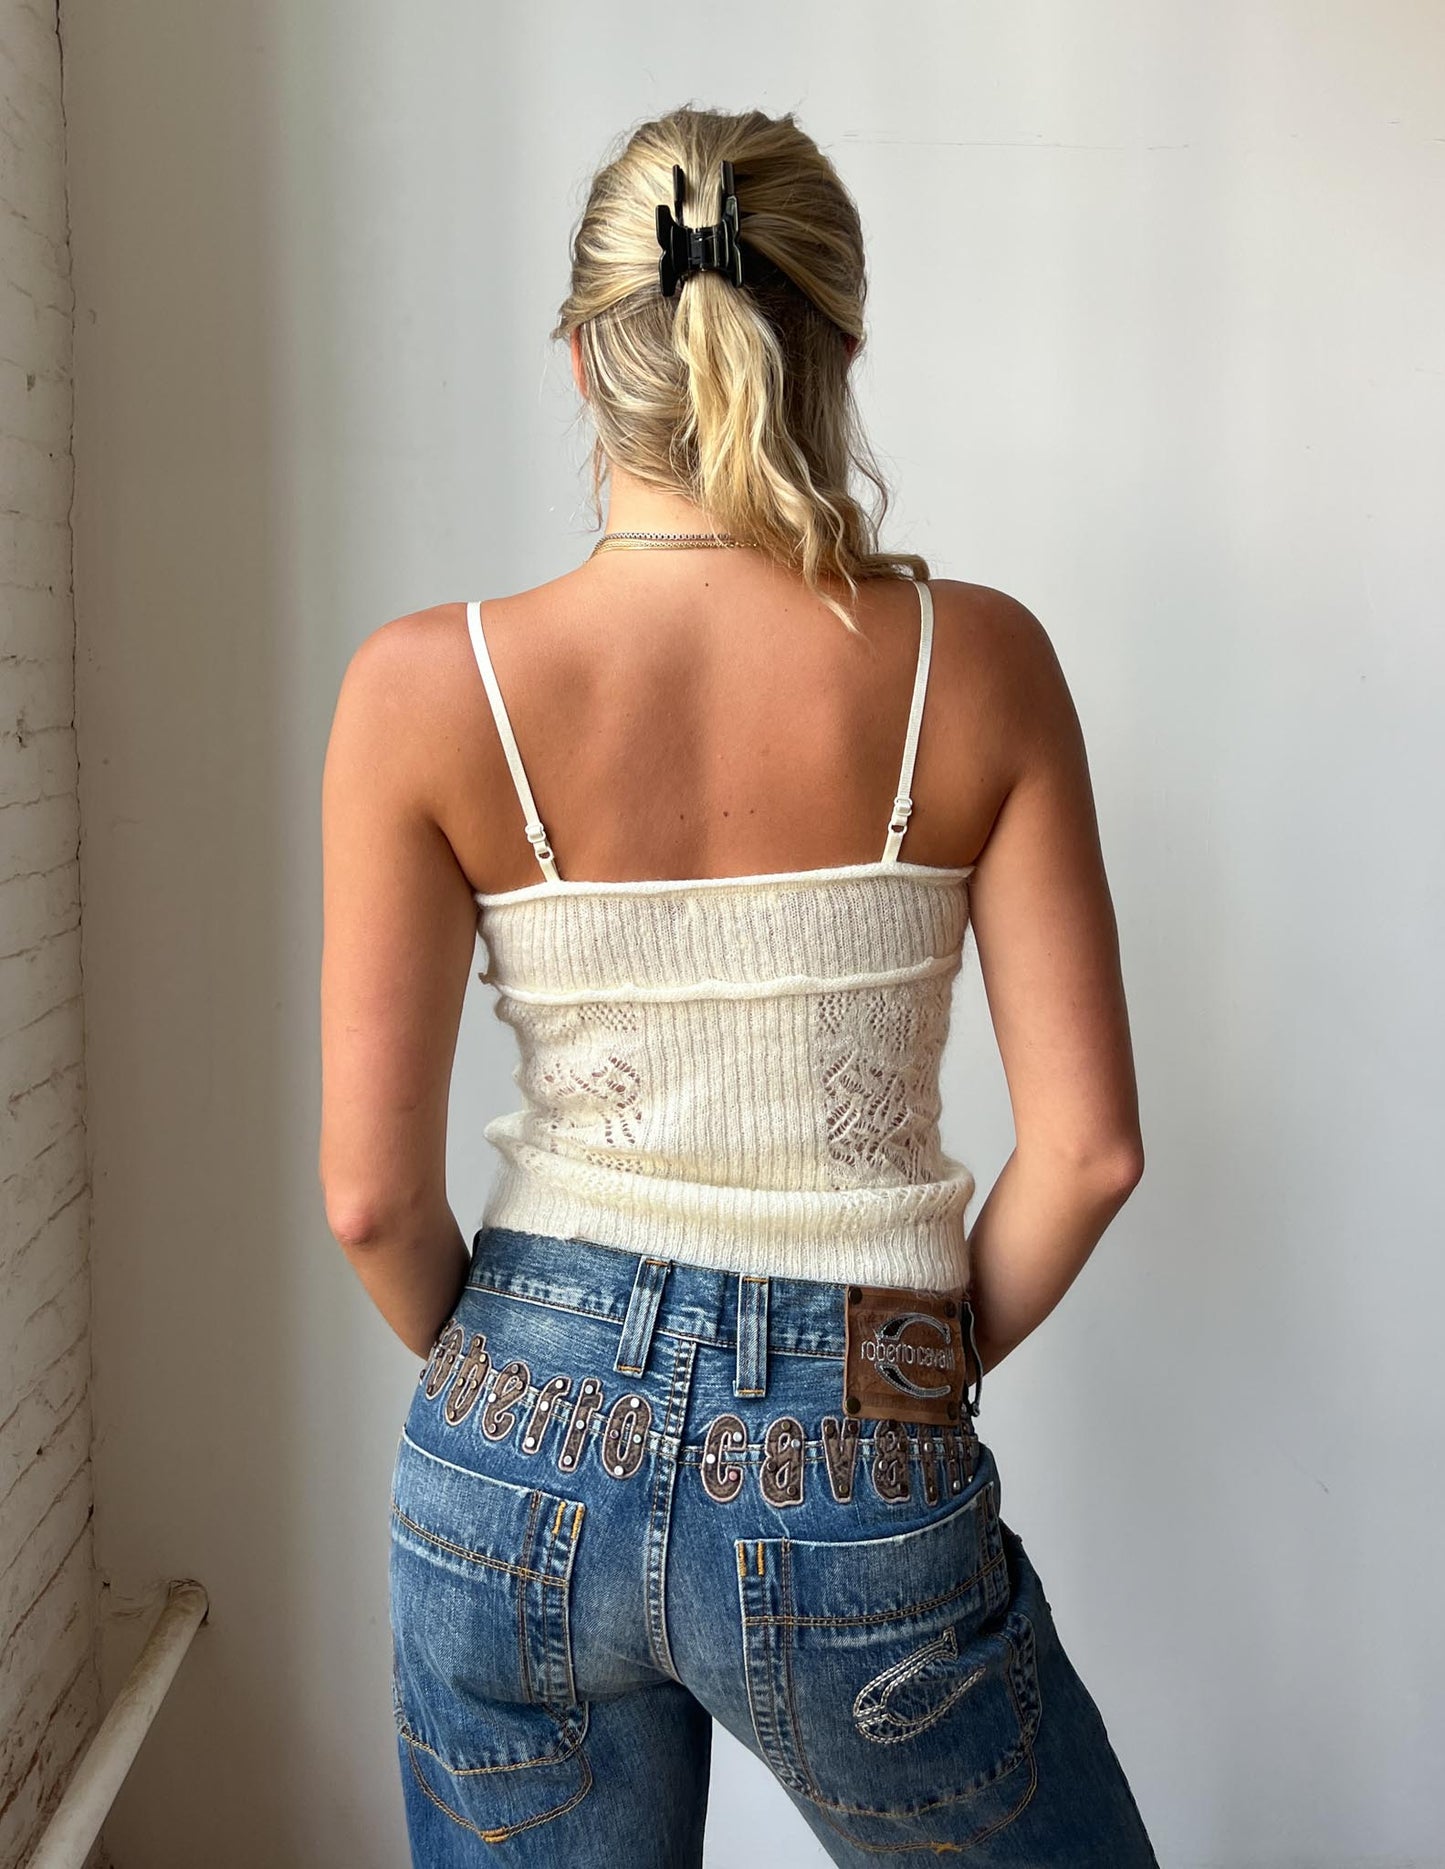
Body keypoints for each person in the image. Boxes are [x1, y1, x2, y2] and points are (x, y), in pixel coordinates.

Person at [320, 104, 1159, 1867]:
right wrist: (888, 1381)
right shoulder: (974, 662)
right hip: (856, 1432)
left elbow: (371, 1198)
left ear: (578, 358)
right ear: (834, 348)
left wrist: (537, 1388)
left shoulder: (422, 687)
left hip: (505, 1441)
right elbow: (1083, 1154)